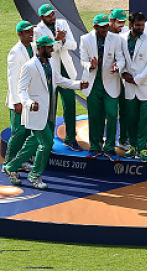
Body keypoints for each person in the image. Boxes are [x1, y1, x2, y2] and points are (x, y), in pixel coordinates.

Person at [5, 36, 87, 189]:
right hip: (36, 113)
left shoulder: (52, 64)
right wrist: (29, 104)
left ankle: (10, 167)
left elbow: (60, 80)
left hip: (49, 113)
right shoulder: (29, 66)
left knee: (32, 143)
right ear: (41, 48)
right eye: (49, 47)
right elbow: (21, 90)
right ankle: (35, 175)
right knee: (47, 143)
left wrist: (78, 84)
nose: (52, 49)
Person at [34, 3, 80, 151]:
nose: (52, 18)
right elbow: (44, 51)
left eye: (53, 14)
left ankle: (70, 139)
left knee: (70, 105)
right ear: (42, 17)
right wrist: (58, 40)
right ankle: (47, 141)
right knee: (49, 107)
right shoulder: (37, 31)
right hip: (49, 71)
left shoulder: (62, 23)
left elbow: (73, 45)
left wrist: (63, 41)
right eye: (48, 16)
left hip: (66, 70)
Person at [80, 14, 125, 160]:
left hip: (111, 81)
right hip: (93, 83)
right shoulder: (85, 39)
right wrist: (90, 66)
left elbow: (121, 58)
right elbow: (83, 60)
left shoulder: (116, 38)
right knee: (95, 116)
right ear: (95, 27)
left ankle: (110, 147)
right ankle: (95, 147)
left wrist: (117, 66)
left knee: (112, 114)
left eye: (106, 26)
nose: (105, 29)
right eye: (102, 27)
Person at [120, 11, 147, 162]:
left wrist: (138, 79)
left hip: (145, 85)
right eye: (138, 25)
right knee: (131, 118)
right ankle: (133, 146)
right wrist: (123, 73)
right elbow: (119, 58)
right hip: (129, 85)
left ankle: (142, 148)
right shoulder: (122, 39)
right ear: (131, 25)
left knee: (144, 119)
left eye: (142, 25)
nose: (141, 27)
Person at [3, 20, 36, 174]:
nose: (31, 34)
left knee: (27, 132)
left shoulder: (33, 48)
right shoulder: (15, 53)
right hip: (19, 101)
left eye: (31, 31)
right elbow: (12, 79)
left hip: (29, 99)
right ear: (20, 34)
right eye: (28, 32)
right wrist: (17, 102)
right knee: (19, 132)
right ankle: (8, 163)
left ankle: (19, 162)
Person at [109, 8, 130, 151]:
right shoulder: (105, 33)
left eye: (123, 22)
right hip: (108, 77)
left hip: (123, 77)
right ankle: (107, 141)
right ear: (111, 21)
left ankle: (123, 139)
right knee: (110, 112)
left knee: (125, 110)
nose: (121, 25)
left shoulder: (126, 31)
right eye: (118, 22)